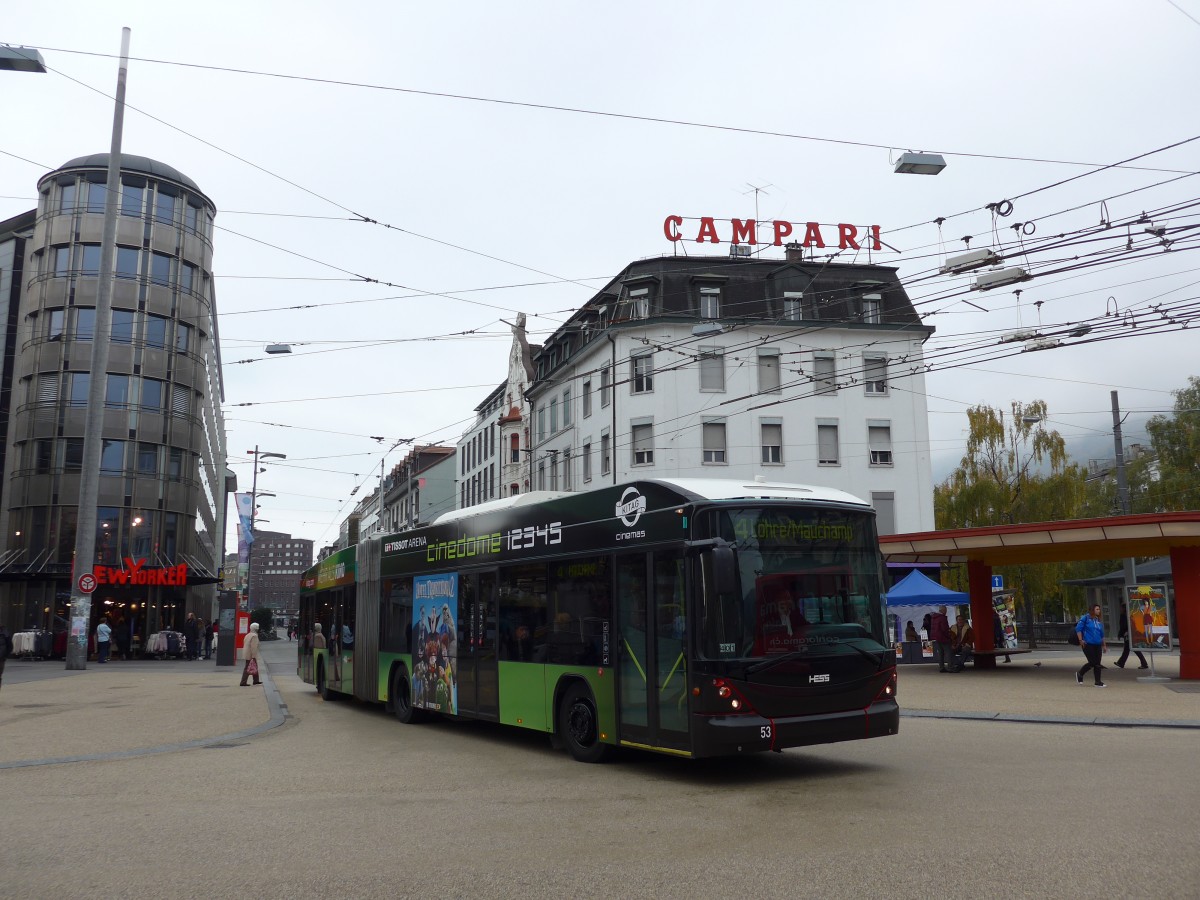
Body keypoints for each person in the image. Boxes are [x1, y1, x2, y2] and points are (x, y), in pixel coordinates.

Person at [1075, 603, 1107, 687]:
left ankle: (1098, 682)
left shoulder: (1098, 620)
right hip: (1088, 644)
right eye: (1097, 609)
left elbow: (1102, 634)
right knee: (1092, 662)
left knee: (1098, 663)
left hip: (1098, 644)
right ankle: (1080, 673)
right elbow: (1078, 629)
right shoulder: (1085, 618)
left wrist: (1104, 645)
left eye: (1099, 609)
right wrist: (1080, 640)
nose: (1099, 611)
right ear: (1092, 610)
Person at [1114, 602, 1148, 670]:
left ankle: (1144, 663)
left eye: (1121, 608)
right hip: (1131, 633)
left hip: (1127, 634)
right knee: (1128, 649)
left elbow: (1123, 626)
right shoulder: (1131, 614)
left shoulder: (1123, 615)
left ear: (1124, 608)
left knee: (1132, 649)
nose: (1120, 609)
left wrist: (1120, 633)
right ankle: (1121, 662)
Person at [929, 605, 953, 672]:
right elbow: (944, 629)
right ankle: (950, 667)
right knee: (948, 652)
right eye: (946, 610)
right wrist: (948, 636)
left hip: (937, 637)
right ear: (943, 610)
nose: (946, 612)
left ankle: (941, 667)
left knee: (940, 653)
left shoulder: (934, 617)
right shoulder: (942, 618)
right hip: (943, 637)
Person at [239, 622, 262, 686]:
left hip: (246, 652)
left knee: (254, 666)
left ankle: (256, 680)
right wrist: (254, 656)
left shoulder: (248, 635)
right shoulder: (254, 636)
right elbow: (254, 647)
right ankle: (243, 682)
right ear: (256, 628)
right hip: (250, 654)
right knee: (248, 667)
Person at [0, 622, 11, 692]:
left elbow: (10, 646)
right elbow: (10, 646)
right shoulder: (4, 631)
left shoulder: (4, 632)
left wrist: (4, 656)